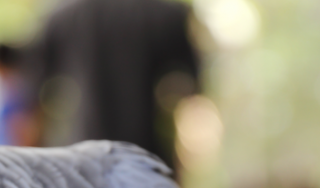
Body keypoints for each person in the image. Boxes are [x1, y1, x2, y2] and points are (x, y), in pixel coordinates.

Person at [22, 0, 201, 175]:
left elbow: (32, 97)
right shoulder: (167, 14)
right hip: (147, 160)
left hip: (80, 162)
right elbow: (192, 96)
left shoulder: (61, 15)